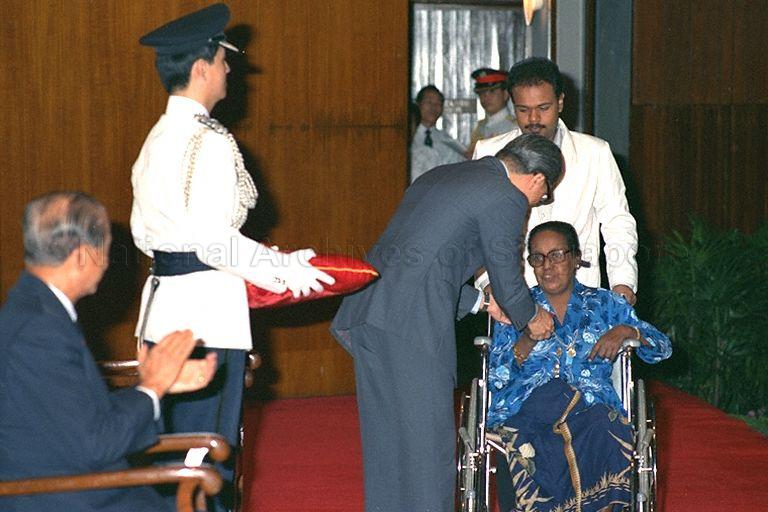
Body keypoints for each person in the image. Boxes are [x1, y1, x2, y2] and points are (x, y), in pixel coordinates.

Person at [131, 4, 334, 510]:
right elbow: (213, 241)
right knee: (207, 460)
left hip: (162, 312)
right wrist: (284, 269)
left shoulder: (156, 137)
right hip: (207, 322)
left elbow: (143, 236)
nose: (229, 70)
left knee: (171, 460)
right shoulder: (209, 141)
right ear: (201, 68)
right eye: (224, 61)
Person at [332, 133, 563, 511]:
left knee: (388, 443)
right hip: (411, 326)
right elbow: (508, 279)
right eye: (545, 194)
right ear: (538, 179)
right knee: (429, 448)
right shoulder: (506, 195)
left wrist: (482, 303)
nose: (538, 201)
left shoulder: (442, 175)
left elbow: (422, 261)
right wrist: (532, 317)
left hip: (370, 311)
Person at [0, 191, 217, 512]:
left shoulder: (33, 309)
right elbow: (96, 444)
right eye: (106, 248)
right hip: (64, 497)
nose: (107, 261)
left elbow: (76, 418)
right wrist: (153, 386)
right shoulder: (40, 330)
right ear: (82, 256)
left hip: (70, 483)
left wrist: (157, 387)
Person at [487, 221, 672, 512]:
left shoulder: (605, 304)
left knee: (607, 424)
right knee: (525, 427)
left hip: (591, 408)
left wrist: (626, 331)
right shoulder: (515, 308)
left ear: (576, 258)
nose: (547, 266)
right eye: (538, 258)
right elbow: (497, 379)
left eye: (557, 255)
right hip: (529, 408)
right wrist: (527, 339)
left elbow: (662, 348)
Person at [473, 57, 639, 305]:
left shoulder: (595, 153)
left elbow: (617, 222)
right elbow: (475, 230)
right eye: (523, 110)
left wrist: (622, 282)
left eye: (543, 108)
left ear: (560, 102)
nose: (533, 119)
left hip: (581, 296)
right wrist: (488, 284)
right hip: (511, 296)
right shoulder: (489, 153)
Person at [410, 84, 466, 183]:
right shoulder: (408, 137)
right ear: (418, 104)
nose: (433, 107)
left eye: (438, 104)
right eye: (429, 102)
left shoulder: (447, 140)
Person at [467, 67, 516, 157]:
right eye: (482, 93)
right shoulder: (479, 127)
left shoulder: (515, 127)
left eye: (492, 91)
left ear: (505, 94)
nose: (486, 97)